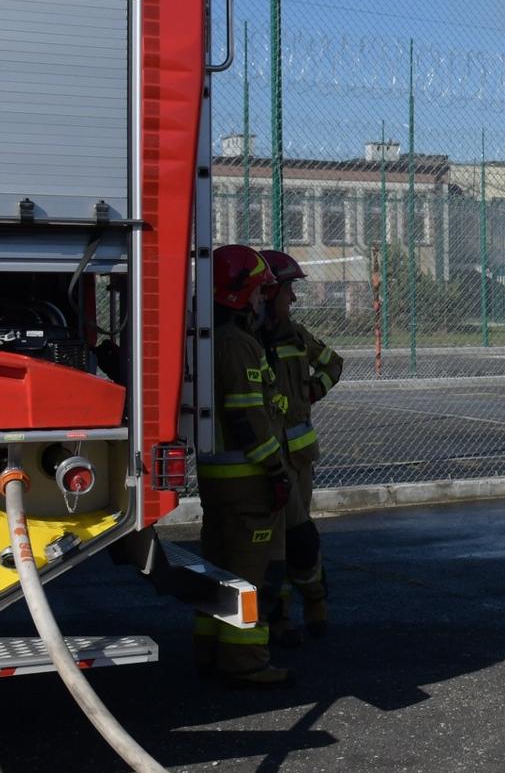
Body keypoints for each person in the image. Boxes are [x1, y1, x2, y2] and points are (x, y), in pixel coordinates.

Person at [194, 244, 296, 688]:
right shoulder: (239, 345)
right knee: (248, 577)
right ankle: (246, 660)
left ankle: (209, 649)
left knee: (218, 569)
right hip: (248, 484)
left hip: (217, 482)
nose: (262, 300)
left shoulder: (207, 341)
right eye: (257, 292)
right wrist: (275, 472)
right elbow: (248, 418)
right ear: (239, 296)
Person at [257, 249, 345, 646]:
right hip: (260, 461)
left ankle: (314, 601)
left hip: (298, 460)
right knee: (272, 543)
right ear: (268, 291)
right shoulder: (244, 343)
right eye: (288, 289)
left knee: (298, 537)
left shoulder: (297, 336)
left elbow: (333, 364)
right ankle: (279, 617)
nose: (292, 299)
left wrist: (312, 389)